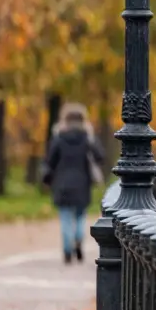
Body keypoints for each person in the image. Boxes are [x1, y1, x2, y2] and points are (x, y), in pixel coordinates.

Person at [42, 102, 105, 264]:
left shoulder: (58, 138)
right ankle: (78, 239)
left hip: (62, 183)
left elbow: (50, 161)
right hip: (82, 184)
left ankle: (67, 249)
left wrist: (46, 180)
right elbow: (100, 156)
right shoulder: (87, 138)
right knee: (80, 216)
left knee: (65, 217)